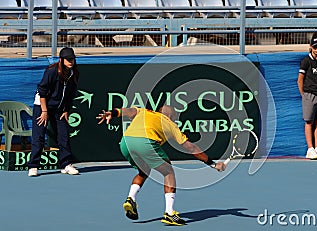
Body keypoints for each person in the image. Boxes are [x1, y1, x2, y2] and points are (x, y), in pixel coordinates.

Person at [96, 106, 226, 226]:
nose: (175, 118)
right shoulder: (170, 124)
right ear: (171, 116)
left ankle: (131, 198)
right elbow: (191, 148)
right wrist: (213, 164)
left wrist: (112, 113)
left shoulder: (143, 112)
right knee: (168, 172)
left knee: (144, 171)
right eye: (174, 116)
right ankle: (169, 213)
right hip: (145, 142)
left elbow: (125, 111)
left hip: (126, 143)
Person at [27, 47, 80, 176]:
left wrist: (66, 110)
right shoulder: (52, 71)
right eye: (68, 59)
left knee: (63, 136)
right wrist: (44, 111)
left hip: (59, 109)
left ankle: (66, 164)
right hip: (42, 105)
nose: (71, 61)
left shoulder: (75, 73)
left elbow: (70, 94)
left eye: (72, 59)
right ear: (61, 60)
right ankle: (33, 166)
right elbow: (42, 91)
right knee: (39, 136)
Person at [297, 35, 317, 160]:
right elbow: (300, 80)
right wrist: (304, 95)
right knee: (309, 122)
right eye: (315, 47)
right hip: (309, 95)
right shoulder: (306, 61)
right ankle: (310, 149)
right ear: (310, 47)